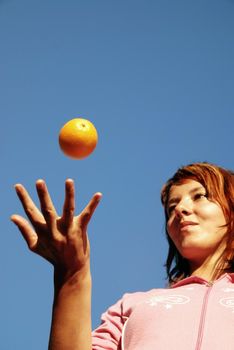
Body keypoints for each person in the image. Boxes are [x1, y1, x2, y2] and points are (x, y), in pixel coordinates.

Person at [11, 162, 234, 350]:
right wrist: (72, 273)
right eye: (172, 206)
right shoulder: (132, 306)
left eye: (200, 196)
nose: (180, 209)